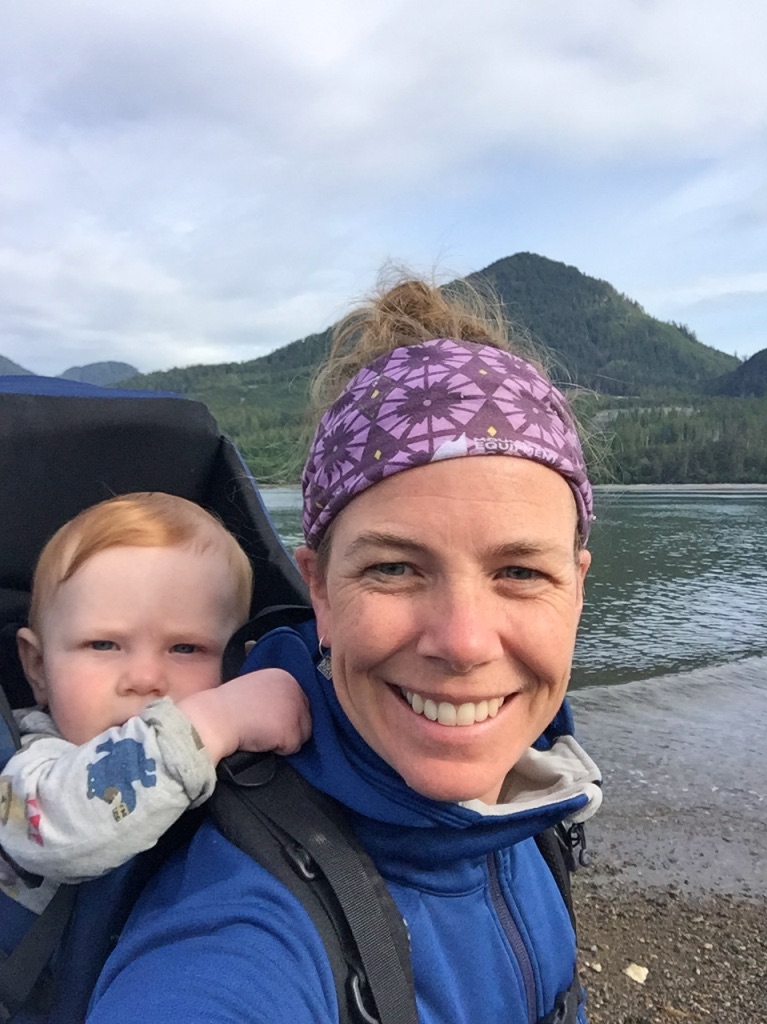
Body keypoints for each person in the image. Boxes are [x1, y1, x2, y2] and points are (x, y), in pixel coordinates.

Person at [88, 279, 603, 1024]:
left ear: (577, 588)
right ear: (320, 591)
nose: (463, 642)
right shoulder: (239, 931)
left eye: (520, 572)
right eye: (394, 568)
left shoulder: (536, 792)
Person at [0, 491, 310, 912]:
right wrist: (213, 720)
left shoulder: (243, 759)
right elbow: (57, 832)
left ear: (238, 663)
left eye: (185, 648)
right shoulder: (30, 772)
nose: (146, 679)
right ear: (38, 667)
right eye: (104, 644)